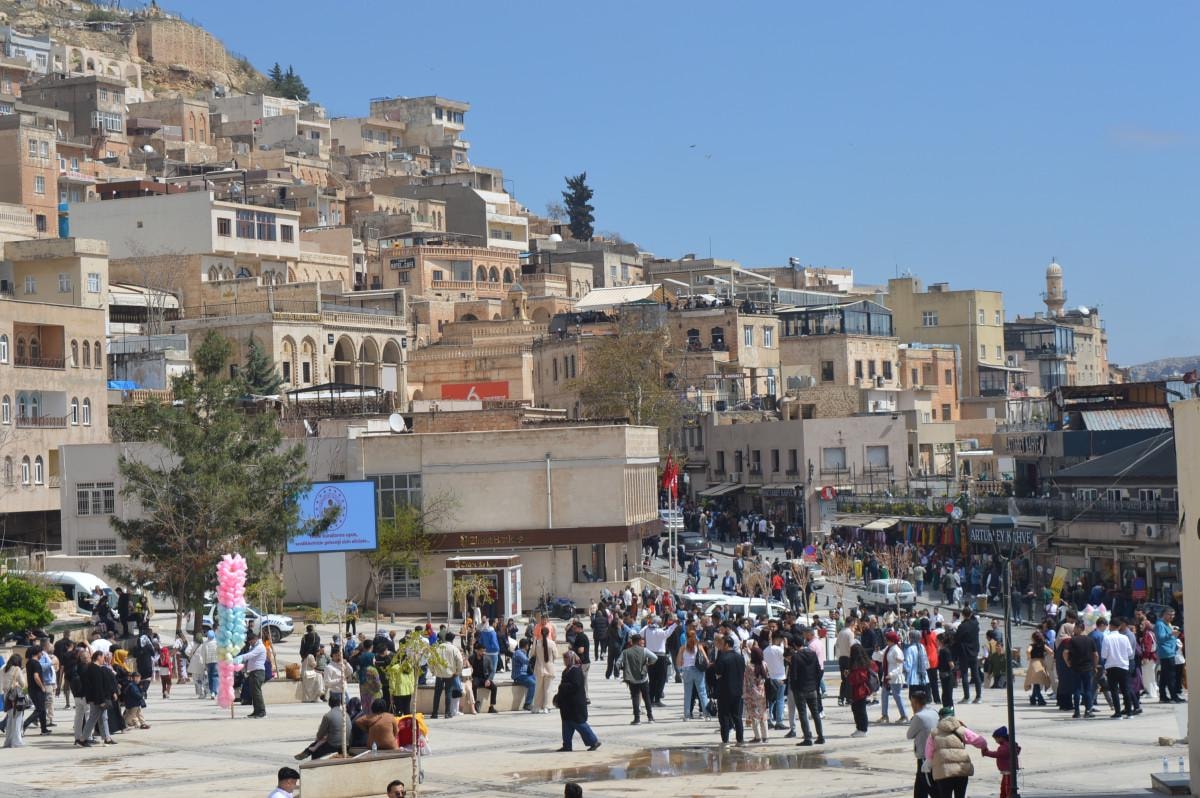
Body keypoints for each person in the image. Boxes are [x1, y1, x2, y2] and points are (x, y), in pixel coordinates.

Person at [924, 706, 988, 798]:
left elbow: (928, 754)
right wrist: (984, 748)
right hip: (961, 770)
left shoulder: (933, 733)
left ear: (940, 718)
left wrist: (929, 764)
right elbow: (981, 741)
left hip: (943, 772)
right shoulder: (961, 729)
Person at [555, 650, 601, 751]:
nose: (565, 661)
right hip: (567, 705)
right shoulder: (566, 670)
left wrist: (563, 687)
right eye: (564, 659)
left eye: (566, 659)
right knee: (566, 724)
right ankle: (567, 745)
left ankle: (594, 741)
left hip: (575, 705)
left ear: (572, 659)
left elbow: (575, 685)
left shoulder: (576, 670)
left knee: (579, 724)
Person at [789, 626, 825, 746]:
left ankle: (808, 738)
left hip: (800, 689)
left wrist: (794, 688)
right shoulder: (812, 654)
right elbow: (818, 670)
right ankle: (820, 736)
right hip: (812, 688)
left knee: (803, 713)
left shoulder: (796, 656)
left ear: (794, 645)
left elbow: (793, 675)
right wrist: (815, 684)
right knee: (815, 713)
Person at [713, 634, 745, 745]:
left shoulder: (723, 658)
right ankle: (740, 739)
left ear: (726, 645)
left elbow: (718, 672)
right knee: (737, 716)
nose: (720, 646)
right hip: (738, 690)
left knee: (724, 716)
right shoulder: (740, 657)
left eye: (722, 644)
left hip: (725, 691)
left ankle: (725, 740)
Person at [80, 650, 117, 746]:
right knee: (93, 718)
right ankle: (82, 739)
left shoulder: (92, 667)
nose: (104, 659)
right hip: (97, 699)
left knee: (103, 718)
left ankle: (107, 738)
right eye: (103, 657)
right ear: (99, 657)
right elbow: (97, 686)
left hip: (96, 698)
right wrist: (100, 701)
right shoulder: (95, 669)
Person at [618, 633, 657, 724]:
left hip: (632, 679)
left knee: (635, 698)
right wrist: (649, 663)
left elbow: (617, 663)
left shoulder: (625, 652)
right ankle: (650, 717)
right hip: (643, 678)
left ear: (632, 642)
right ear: (639, 641)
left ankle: (637, 719)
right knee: (646, 697)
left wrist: (622, 668)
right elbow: (655, 657)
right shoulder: (644, 650)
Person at [1102, 617, 1136, 718]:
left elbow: (1104, 654)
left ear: (1110, 626)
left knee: (1114, 690)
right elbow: (1130, 653)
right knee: (1126, 690)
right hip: (1123, 666)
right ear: (1119, 626)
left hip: (1111, 666)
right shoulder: (1125, 638)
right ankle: (1129, 712)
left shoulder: (1107, 638)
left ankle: (1118, 713)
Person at [295, 694, 347, 760]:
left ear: (329, 704)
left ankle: (309, 754)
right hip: (347, 743)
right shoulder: (345, 714)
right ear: (339, 704)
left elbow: (320, 734)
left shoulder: (328, 716)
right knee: (319, 743)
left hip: (335, 744)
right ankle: (307, 751)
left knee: (316, 751)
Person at [907, 690, 938, 798]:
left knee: (931, 787)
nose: (912, 706)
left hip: (924, 757)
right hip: (934, 752)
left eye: (912, 704)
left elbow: (909, 735)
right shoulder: (934, 712)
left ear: (916, 703)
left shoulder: (919, 717)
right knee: (919, 789)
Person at [1063, 622, 1098, 718]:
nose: (1073, 630)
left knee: (1077, 689)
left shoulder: (1072, 640)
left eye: (1075, 628)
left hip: (1076, 668)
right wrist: (1095, 666)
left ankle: (1077, 712)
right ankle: (1088, 711)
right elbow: (1096, 655)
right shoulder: (1090, 640)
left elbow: (1065, 653)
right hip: (1088, 668)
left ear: (1079, 628)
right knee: (1087, 689)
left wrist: (1068, 663)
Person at [676, 624, 710, 720]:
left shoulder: (683, 648)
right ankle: (706, 714)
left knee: (688, 694)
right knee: (702, 693)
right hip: (698, 671)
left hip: (687, 671)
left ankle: (687, 715)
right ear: (695, 637)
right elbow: (707, 660)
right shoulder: (699, 646)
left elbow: (678, 663)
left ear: (686, 637)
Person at [430, 631, 464, 719]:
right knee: (448, 693)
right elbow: (460, 661)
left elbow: (430, 659)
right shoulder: (454, 649)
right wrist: (457, 672)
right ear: (452, 640)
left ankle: (434, 713)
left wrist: (433, 671)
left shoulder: (438, 647)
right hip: (450, 674)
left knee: (437, 694)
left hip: (439, 674)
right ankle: (447, 713)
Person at [236, 631, 268, 718]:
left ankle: (262, 712)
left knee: (257, 692)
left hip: (258, 672)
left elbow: (250, 655)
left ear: (255, 639)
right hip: (253, 672)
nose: (250, 643)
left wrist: (240, 657)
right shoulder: (253, 647)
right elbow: (249, 659)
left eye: (251, 641)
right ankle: (256, 711)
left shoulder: (260, 647)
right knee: (253, 693)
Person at [879, 630, 909, 724]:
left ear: (891, 640)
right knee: (884, 695)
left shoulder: (897, 650)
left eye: (887, 639)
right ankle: (884, 716)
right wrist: (876, 652)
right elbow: (879, 656)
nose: (886, 641)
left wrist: (891, 674)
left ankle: (904, 716)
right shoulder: (888, 648)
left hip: (895, 677)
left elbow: (899, 667)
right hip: (887, 676)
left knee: (897, 696)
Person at [982, 725, 1020, 798]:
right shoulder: (1007, 744)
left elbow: (998, 754)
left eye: (996, 739)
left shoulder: (1006, 746)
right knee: (1004, 787)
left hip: (1008, 771)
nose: (995, 741)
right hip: (1007, 771)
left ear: (1001, 738)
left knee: (1007, 788)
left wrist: (986, 753)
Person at [954, 608, 982, 704]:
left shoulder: (962, 626)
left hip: (964, 652)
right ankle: (978, 696)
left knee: (965, 674)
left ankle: (967, 697)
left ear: (963, 615)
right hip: (974, 652)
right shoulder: (975, 624)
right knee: (976, 674)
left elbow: (957, 638)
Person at [1156, 609, 1184, 703]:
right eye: (1170, 615)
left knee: (1164, 676)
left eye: (1173, 615)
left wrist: (1173, 633)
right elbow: (1160, 638)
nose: (1172, 617)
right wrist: (1171, 633)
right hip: (1166, 652)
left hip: (1170, 651)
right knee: (1171, 676)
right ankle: (1173, 696)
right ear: (1164, 614)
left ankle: (1163, 696)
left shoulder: (1167, 623)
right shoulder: (1160, 624)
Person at [743, 644, 769, 743]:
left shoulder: (749, 667)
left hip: (752, 694)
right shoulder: (764, 664)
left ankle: (757, 737)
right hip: (762, 693)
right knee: (763, 714)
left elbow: (746, 681)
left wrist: (744, 694)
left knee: (754, 716)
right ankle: (765, 736)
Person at [847, 643, 872, 738]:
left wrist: (850, 676)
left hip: (860, 690)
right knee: (856, 709)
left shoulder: (860, 664)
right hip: (857, 690)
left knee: (860, 710)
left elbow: (859, 678)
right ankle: (859, 727)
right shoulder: (860, 662)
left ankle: (863, 729)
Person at [532, 625, 559, 714]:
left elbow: (532, 654)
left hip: (539, 668)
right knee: (548, 689)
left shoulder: (537, 643)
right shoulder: (552, 643)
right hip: (549, 668)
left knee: (538, 688)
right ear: (548, 633)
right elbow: (556, 656)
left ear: (540, 633)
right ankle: (546, 707)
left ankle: (536, 707)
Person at [2, 653, 27, 748]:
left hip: (6, 697)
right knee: (17, 719)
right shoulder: (17, 669)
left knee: (9, 720)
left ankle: (8, 741)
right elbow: (23, 684)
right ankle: (16, 742)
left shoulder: (4, 669)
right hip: (15, 697)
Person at [468, 642, 498, 714]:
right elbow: (468, 669)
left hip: (485, 678)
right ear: (477, 651)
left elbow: (492, 671)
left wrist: (489, 680)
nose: (483, 653)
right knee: (474, 685)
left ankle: (491, 707)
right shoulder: (471, 658)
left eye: (484, 651)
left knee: (494, 687)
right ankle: (475, 704)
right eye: (482, 651)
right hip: (475, 677)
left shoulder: (487, 658)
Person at [1024, 630, 1051, 706]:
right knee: (1037, 682)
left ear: (1033, 638)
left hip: (1034, 663)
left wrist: (1029, 657)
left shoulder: (1032, 645)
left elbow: (1028, 651)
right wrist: (1046, 655)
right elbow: (1051, 651)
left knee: (1036, 683)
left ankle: (1040, 699)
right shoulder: (1043, 645)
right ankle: (1033, 698)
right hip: (1041, 663)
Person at [512, 638, 537, 711]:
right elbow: (526, 661)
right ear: (526, 645)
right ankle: (527, 704)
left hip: (525, 674)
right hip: (519, 676)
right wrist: (534, 656)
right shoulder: (518, 653)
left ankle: (537, 702)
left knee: (537, 679)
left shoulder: (523, 652)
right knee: (532, 684)